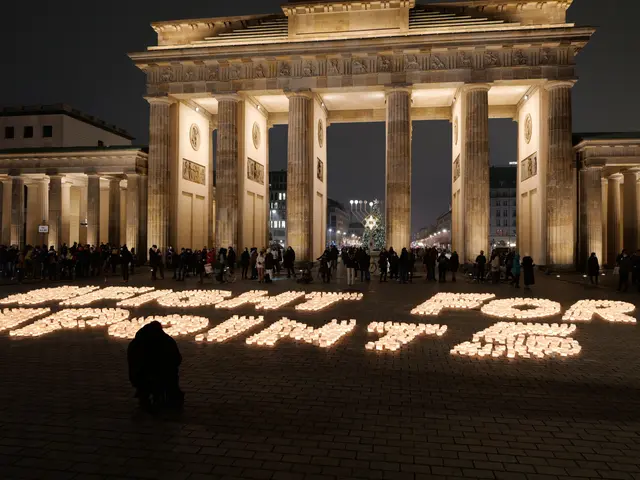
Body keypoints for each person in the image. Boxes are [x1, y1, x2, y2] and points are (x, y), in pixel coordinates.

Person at [127, 321, 184, 410]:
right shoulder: (167, 341)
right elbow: (177, 359)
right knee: (167, 379)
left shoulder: (136, 342)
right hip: (154, 374)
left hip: (142, 375)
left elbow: (132, 363)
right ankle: (168, 399)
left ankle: (145, 398)